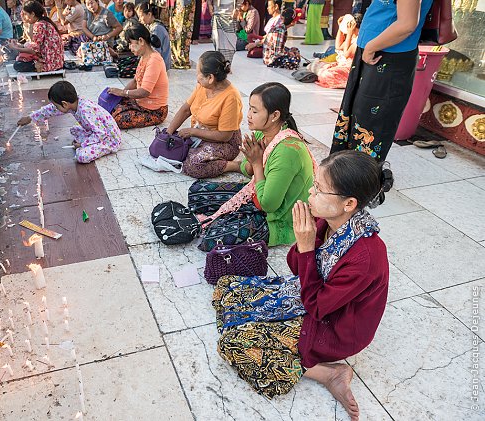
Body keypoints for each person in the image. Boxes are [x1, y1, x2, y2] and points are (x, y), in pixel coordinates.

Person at [213, 150, 394, 420]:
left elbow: (319, 307)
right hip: (311, 296)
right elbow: (297, 269)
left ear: (349, 203)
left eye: (319, 190)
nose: (310, 193)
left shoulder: (366, 257)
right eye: (315, 185)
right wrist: (303, 242)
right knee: (227, 287)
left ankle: (329, 372)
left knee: (233, 344)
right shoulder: (329, 219)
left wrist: (307, 247)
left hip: (334, 327)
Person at [190, 82, 316, 251]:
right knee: (197, 192)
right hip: (257, 192)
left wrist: (256, 163)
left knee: (213, 239)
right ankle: (228, 216)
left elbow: (268, 204)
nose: (248, 115)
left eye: (255, 111)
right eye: (249, 108)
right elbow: (250, 172)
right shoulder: (262, 133)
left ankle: (227, 219)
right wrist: (249, 163)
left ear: (274, 115)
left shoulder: (288, 151)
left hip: (278, 217)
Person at [331, 0, 434, 161]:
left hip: (387, 56)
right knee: (355, 119)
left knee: (370, 126)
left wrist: (371, 47)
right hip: (375, 52)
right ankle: (343, 175)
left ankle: (358, 179)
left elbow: (407, 23)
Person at [166, 51, 242, 179]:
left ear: (210, 78)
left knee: (193, 166)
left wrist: (192, 132)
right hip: (201, 134)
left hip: (225, 142)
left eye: (198, 74)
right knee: (173, 151)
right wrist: (168, 133)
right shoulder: (202, 86)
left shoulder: (231, 97)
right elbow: (186, 109)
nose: (197, 78)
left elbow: (225, 135)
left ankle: (234, 166)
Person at [18, 81, 122, 163]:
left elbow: (101, 133)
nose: (55, 108)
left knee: (82, 156)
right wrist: (30, 118)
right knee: (74, 130)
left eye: (57, 106)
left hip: (109, 139)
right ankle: (89, 143)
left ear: (64, 104)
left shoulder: (86, 111)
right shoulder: (74, 103)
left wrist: (82, 144)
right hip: (97, 132)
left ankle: (93, 146)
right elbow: (50, 110)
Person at [107, 24, 169, 129]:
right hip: (140, 103)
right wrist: (120, 95)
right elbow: (136, 81)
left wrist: (123, 93)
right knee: (111, 106)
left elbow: (144, 91)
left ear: (141, 41)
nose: (130, 47)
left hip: (154, 111)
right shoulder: (144, 56)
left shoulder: (154, 60)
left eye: (131, 43)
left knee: (118, 120)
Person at [9, 0, 64, 72]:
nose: (24, 17)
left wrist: (15, 48)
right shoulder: (44, 21)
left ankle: (38, 66)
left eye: (25, 14)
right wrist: (19, 46)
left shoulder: (39, 25)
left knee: (18, 65)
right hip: (57, 61)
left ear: (32, 14)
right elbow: (35, 44)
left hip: (50, 63)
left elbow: (33, 50)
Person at [308, 14, 360, 89]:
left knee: (325, 74)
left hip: (351, 70)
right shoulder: (353, 36)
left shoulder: (358, 40)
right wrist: (340, 28)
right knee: (315, 64)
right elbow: (338, 47)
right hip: (342, 66)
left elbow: (346, 55)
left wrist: (349, 34)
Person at [136, 2, 171, 70]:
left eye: (141, 16)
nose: (139, 19)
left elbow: (155, 51)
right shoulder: (151, 26)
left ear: (149, 14)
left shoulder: (157, 29)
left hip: (160, 65)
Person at [169, 0, 196, 69]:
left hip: (183, 4)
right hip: (178, 4)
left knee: (182, 31)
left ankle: (181, 60)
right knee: (177, 31)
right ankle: (178, 58)